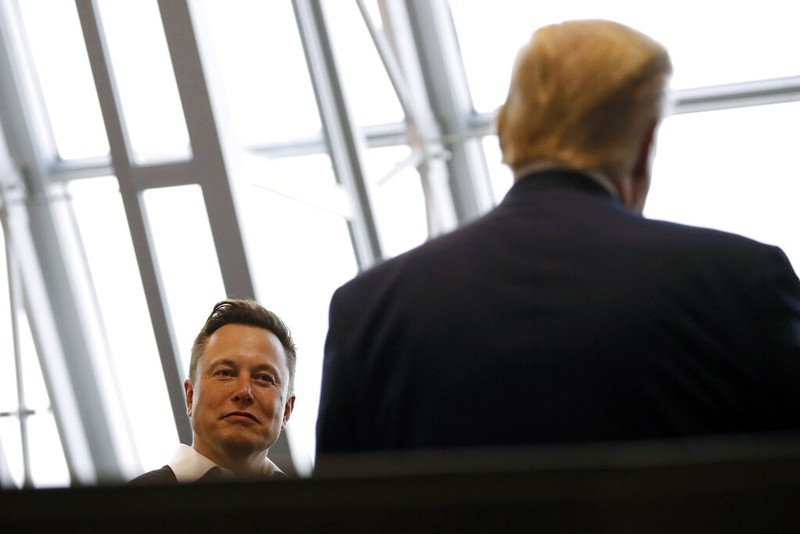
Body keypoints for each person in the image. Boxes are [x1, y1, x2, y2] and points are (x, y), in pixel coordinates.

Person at [316, 20, 800, 457]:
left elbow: (340, 511)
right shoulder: (743, 282)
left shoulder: (368, 310)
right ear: (645, 143)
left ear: (507, 131)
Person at [129, 299, 296, 483]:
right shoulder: (132, 498)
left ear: (287, 410)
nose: (244, 392)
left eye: (264, 378)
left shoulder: (308, 501)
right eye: (225, 373)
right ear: (190, 396)